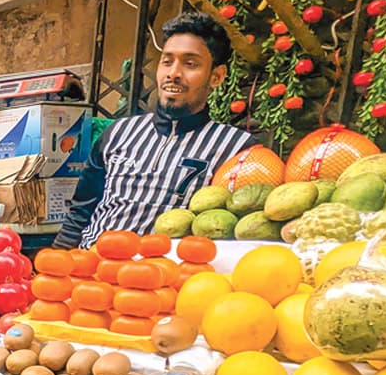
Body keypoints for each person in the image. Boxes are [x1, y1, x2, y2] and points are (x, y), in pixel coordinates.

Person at [53, 12, 258, 249]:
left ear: (216, 76)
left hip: (166, 278)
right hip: (93, 270)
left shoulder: (237, 149)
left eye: (190, 64)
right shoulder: (118, 134)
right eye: (167, 61)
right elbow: (80, 211)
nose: (173, 73)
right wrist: (55, 265)